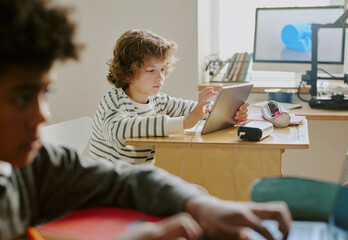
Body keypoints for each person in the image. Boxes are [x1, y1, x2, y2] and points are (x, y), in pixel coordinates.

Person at [0, 0, 291, 239]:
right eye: (21, 98)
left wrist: (200, 205)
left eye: (46, 93)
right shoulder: (114, 103)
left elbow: (125, 180)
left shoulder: (32, 166)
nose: (43, 114)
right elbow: (124, 130)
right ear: (128, 73)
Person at [89, 29, 249, 164]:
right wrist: (185, 122)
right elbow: (119, 129)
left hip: (137, 181)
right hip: (107, 186)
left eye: (163, 69)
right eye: (151, 71)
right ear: (127, 74)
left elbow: (193, 110)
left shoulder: (157, 100)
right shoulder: (113, 102)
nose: (160, 77)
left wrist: (228, 113)